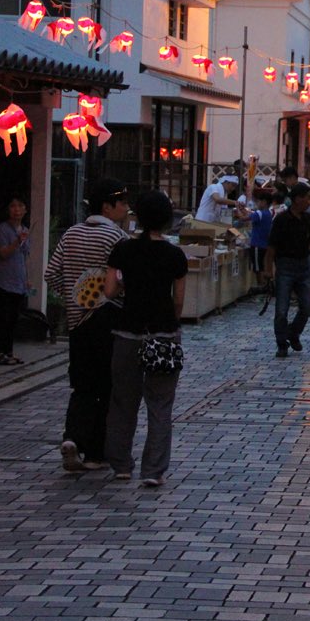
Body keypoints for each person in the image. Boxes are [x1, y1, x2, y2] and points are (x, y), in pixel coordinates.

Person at [44, 178, 130, 472]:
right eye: (122, 202)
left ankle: (72, 438)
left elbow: (51, 273)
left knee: (81, 385)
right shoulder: (117, 238)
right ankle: (95, 453)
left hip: (77, 320)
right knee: (105, 386)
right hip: (108, 318)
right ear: (107, 207)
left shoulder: (71, 234)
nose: (126, 207)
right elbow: (122, 280)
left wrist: (73, 295)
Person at [103, 191, 188, 487]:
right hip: (163, 334)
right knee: (160, 405)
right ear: (166, 220)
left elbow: (109, 291)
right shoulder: (175, 255)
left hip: (127, 332)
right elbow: (179, 301)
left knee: (123, 401)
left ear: (137, 217)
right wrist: (172, 322)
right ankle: (153, 470)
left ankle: (121, 464)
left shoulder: (123, 250)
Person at [265, 183, 310, 358]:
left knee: (307, 305)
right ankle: (282, 343)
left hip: (303, 267)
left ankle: (294, 333)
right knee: (281, 309)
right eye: (307, 197)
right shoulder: (281, 220)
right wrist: (268, 270)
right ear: (298, 199)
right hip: (285, 267)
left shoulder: (308, 219)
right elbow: (272, 247)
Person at [0, 196, 30, 366]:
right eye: (13, 206)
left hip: (17, 282)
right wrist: (17, 241)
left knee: (12, 319)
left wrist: (27, 279)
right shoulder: (2, 229)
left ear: (25, 210)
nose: (17, 210)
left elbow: (24, 257)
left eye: (20, 206)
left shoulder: (25, 230)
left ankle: (8, 351)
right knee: (0, 318)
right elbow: (3, 253)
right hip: (1, 282)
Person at [247, 192, 274, 276]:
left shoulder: (259, 213)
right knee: (262, 266)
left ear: (264, 202)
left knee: (258, 269)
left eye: (259, 201)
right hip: (265, 244)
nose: (257, 203)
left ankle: (261, 285)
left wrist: (238, 209)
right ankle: (265, 285)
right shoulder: (269, 213)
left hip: (257, 245)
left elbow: (243, 218)